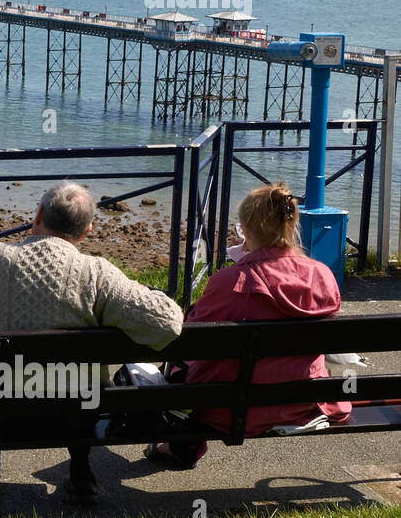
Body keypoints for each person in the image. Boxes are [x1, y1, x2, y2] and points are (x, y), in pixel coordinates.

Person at [0, 182, 184, 505]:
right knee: (76, 380)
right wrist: (151, 293)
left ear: (38, 214)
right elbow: (168, 323)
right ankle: (80, 469)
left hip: (3, 404)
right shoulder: (97, 274)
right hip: (75, 411)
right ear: (87, 230)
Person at [147, 182, 350, 468]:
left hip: (231, 409)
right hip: (303, 401)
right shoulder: (323, 276)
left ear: (246, 230)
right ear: (291, 225)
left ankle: (183, 446)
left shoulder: (232, 281)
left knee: (179, 370)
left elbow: (191, 338)